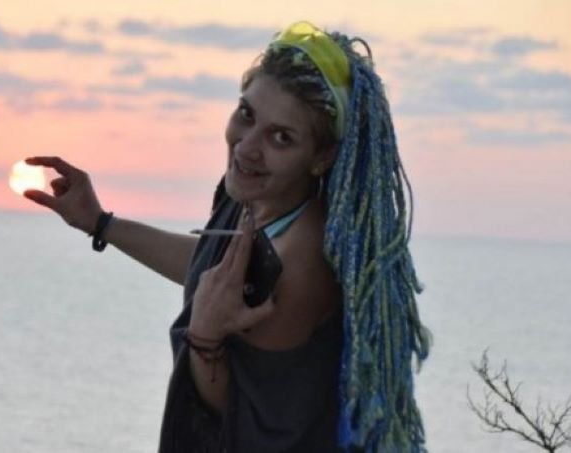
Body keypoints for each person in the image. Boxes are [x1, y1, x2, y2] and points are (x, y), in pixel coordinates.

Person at [24, 20, 430, 452]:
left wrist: (205, 337)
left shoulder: (299, 262)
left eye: (281, 137)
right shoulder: (260, 198)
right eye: (246, 115)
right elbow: (211, 267)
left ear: (322, 156)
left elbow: (250, 428)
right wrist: (101, 223)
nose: (246, 148)